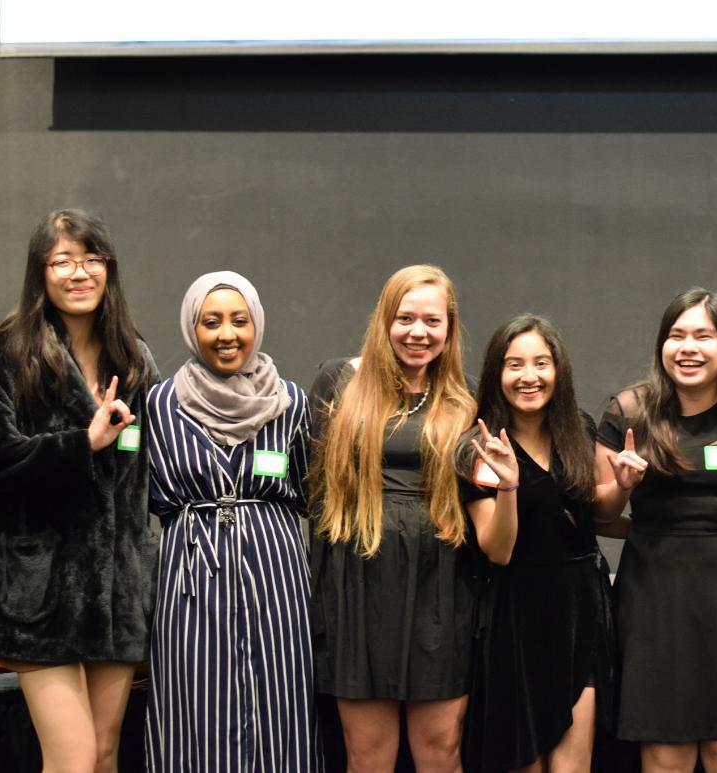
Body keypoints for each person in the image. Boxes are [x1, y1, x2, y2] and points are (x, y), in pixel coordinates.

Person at [0, 209, 158, 773]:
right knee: (70, 757)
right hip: (40, 591)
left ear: (108, 269)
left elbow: (150, 465)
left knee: (102, 754)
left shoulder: (135, 358)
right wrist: (81, 443)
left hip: (116, 590)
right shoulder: (3, 355)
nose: (79, 272)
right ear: (40, 272)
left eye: (91, 259)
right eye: (63, 260)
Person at [594, 288, 717, 773]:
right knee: (666, 752)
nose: (688, 347)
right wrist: (621, 488)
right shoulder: (628, 411)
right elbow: (597, 513)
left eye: (704, 335)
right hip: (655, 593)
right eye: (676, 335)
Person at [143, 271, 319, 770]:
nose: (227, 334)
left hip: (276, 575)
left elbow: (315, 492)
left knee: (280, 700)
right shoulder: (157, 405)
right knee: (191, 700)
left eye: (239, 321)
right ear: (191, 329)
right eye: (211, 322)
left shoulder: (291, 403)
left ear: (256, 325)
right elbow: (125, 491)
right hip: (189, 579)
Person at [309, 264, 477, 772]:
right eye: (405, 318)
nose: (417, 333)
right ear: (384, 320)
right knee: (367, 757)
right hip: (358, 583)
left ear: (449, 329)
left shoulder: (467, 397)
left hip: (441, 585)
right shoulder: (340, 380)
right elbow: (312, 484)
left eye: (432, 321)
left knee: (442, 752)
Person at [457, 314, 615, 772]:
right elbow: (498, 550)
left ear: (558, 371)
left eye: (541, 363)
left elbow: (592, 517)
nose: (529, 377)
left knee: (573, 764)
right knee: (523, 760)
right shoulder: (477, 446)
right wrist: (509, 486)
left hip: (580, 612)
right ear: (496, 374)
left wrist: (622, 487)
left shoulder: (578, 430)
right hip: (516, 615)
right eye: (515, 365)